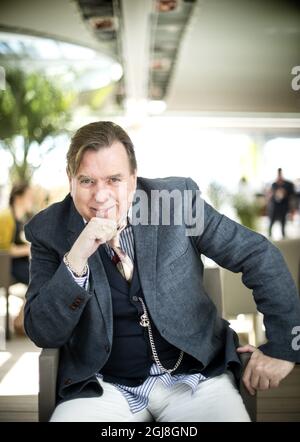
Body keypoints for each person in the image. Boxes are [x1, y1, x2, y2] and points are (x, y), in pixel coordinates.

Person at [24, 122, 300, 422]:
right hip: (102, 387)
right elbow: (43, 330)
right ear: (71, 180)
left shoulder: (177, 202)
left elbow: (257, 254)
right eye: (87, 181)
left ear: (132, 179)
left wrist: (285, 347)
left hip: (195, 378)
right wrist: (76, 259)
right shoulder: (47, 230)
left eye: (114, 179)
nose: (100, 196)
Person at [0, 182, 34, 334]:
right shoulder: (6, 217)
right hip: (6, 266)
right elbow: (4, 248)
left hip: (18, 265)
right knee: (37, 279)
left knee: (41, 276)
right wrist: (29, 248)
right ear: (18, 198)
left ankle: (20, 320)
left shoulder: (22, 219)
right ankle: (19, 322)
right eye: (29, 197)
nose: (31, 200)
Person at [268, 168, 295, 238]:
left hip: (284, 206)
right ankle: (269, 235)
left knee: (283, 221)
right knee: (272, 221)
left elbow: (292, 195)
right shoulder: (274, 184)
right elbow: (271, 195)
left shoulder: (288, 184)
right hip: (275, 206)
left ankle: (283, 235)